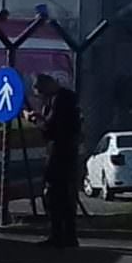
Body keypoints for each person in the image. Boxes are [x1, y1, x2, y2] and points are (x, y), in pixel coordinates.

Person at [27, 74, 81, 248]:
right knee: (65, 195)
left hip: (59, 152)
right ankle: (68, 234)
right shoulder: (66, 99)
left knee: (54, 194)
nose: (42, 97)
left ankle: (58, 233)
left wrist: (37, 120)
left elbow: (52, 128)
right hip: (66, 152)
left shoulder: (60, 102)